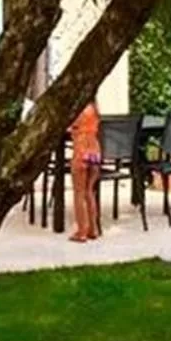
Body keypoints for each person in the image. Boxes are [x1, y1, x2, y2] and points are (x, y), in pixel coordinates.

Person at [69, 98, 103, 242]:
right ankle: (93, 229)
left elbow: (71, 127)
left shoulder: (77, 110)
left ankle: (81, 231)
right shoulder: (95, 109)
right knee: (89, 191)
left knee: (79, 193)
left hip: (81, 150)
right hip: (95, 151)